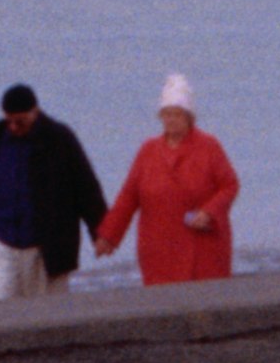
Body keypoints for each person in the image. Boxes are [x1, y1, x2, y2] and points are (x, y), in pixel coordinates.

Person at [98, 73, 240, 286]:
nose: (171, 119)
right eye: (166, 114)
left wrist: (209, 212)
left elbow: (230, 185)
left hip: (202, 250)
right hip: (158, 252)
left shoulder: (209, 147)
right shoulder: (148, 150)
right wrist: (109, 236)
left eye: (177, 114)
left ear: (189, 117)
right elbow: (128, 197)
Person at [0, 83, 105, 298]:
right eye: (9, 121)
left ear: (35, 112)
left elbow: (85, 186)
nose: (14, 127)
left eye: (20, 122)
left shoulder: (59, 139)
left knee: (46, 314)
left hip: (47, 245)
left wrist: (101, 232)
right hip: (2, 242)